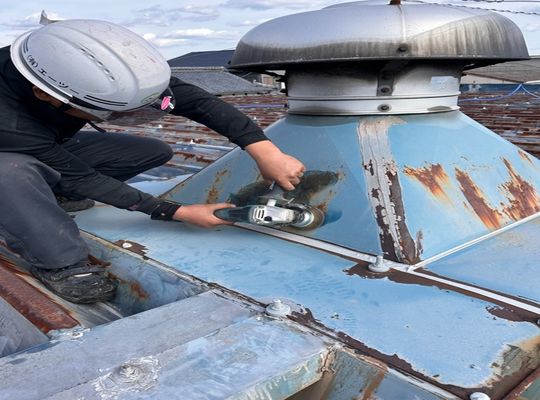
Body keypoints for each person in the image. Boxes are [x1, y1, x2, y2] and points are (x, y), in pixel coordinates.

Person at [0, 19, 305, 304]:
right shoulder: (8, 118)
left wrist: (265, 151)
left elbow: (197, 102)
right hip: (8, 154)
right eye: (105, 112)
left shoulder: (83, 63)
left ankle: (51, 196)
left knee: (149, 150)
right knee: (10, 172)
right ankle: (60, 262)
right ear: (44, 94)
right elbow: (81, 176)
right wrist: (174, 212)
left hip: (42, 143)